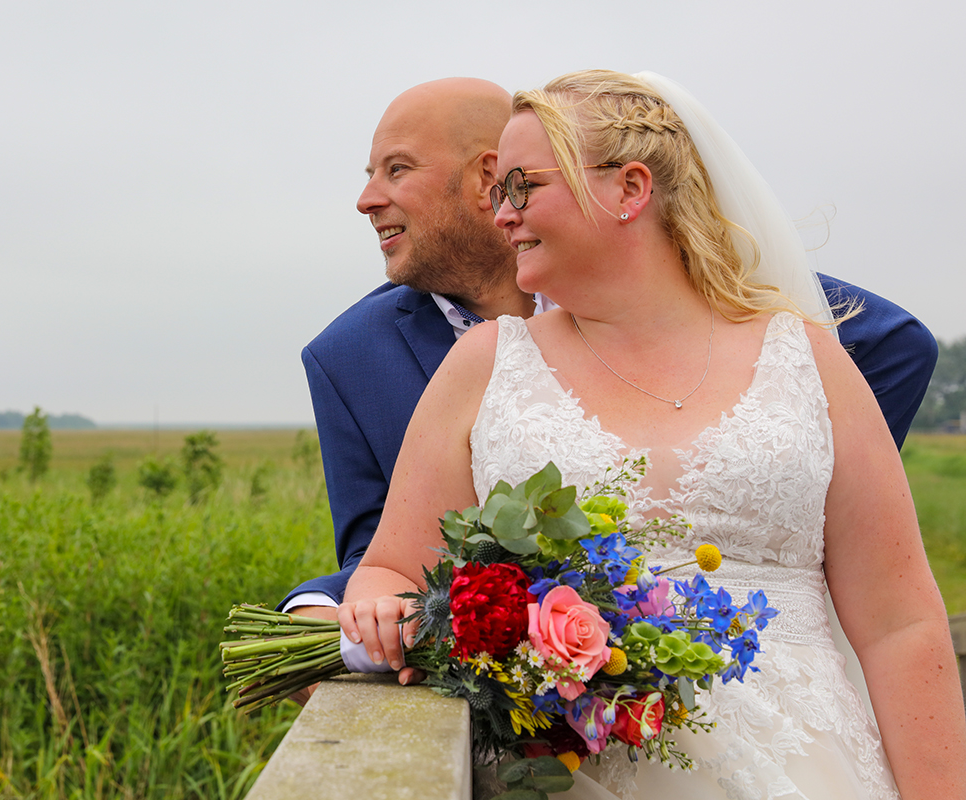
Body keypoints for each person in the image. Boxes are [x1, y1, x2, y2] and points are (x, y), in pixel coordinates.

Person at [338, 71, 965, 799]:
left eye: (521, 187)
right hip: (571, 773)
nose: (501, 214)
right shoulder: (485, 366)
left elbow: (901, 625)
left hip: (807, 768)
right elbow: (388, 567)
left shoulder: (807, 358)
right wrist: (378, 605)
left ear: (630, 189)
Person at [281, 78, 938, 625]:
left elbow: (892, 344)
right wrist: (316, 605)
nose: (367, 199)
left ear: (487, 178)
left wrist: (788, 521)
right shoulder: (347, 358)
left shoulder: (673, 285)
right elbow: (384, 558)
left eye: (396, 169)